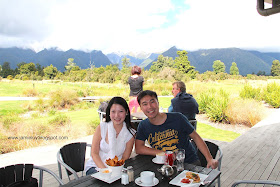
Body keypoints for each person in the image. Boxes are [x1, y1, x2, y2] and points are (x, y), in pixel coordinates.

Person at [135, 90, 218, 169]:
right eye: (145, 104)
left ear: (158, 103)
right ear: (141, 108)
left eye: (152, 102)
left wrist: (209, 158)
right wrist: (163, 153)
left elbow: (196, 137)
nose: (149, 107)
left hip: (188, 163)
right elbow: (139, 148)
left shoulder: (177, 118)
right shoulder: (143, 125)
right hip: (163, 166)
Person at [84, 97, 136, 175]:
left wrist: (114, 170)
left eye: (121, 111)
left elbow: (125, 158)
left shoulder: (130, 133)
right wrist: (106, 170)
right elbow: (94, 153)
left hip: (117, 168)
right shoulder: (102, 127)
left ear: (126, 112)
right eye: (113, 112)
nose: (117, 115)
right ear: (109, 112)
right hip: (96, 166)